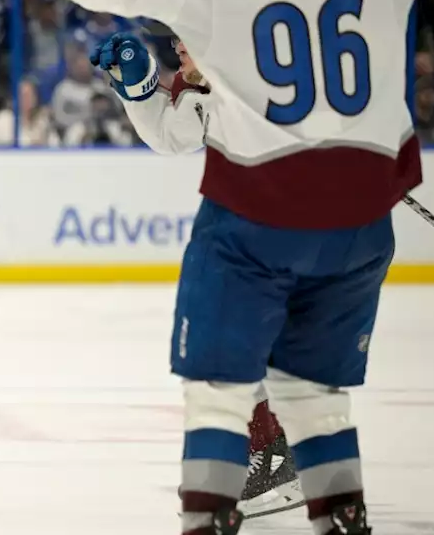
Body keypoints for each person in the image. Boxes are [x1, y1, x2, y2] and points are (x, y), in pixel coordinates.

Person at [0, 0, 434, 533]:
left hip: (260, 216)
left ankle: (212, 512)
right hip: (361, 220)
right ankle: (338, 510)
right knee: (318, 396)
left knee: (217, 392)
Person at [92, 31, 304, 520]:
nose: (177, 49)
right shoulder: (203, 88)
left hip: (277, 228)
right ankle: (273, 455)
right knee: (236, 344)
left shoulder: (259, 76)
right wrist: (141, 87)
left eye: (184, 40)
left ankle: (278, 458)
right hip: (255, 226)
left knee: (232, 342)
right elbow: (173, 137)